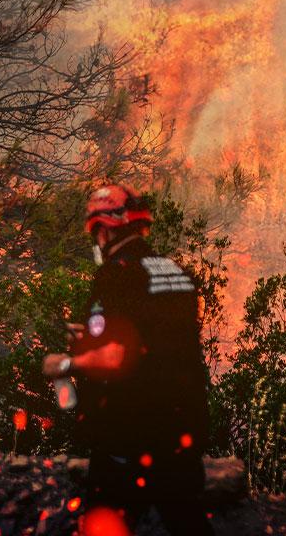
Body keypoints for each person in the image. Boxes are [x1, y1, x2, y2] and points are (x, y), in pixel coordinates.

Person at [41, 185, 213, 535]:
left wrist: (65, 365)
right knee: (188, 524)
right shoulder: (175, 270)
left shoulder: (116, 274)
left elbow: (118, 357)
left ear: (102, 229)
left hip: (129, 434)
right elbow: (157, 338)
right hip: (181, 431)